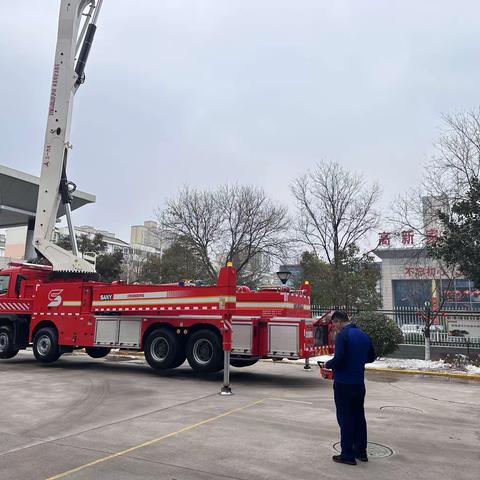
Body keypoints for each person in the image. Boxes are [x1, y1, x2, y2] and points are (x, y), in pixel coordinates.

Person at [323, 310, 376, 466]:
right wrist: (356, 362)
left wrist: (328, 364)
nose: (334, 328)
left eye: (334, 324)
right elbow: (371, 357)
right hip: (359, 384)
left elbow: (339, 359)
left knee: (345, 419)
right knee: (359, 417)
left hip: (343, 384)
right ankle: (361, 451)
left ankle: (347, 454)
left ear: (338, 321)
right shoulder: (363, 335)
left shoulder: (343, 336)